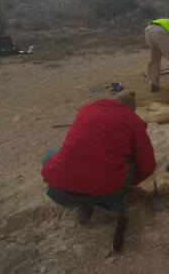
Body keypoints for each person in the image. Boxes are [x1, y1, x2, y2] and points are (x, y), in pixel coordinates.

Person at [41, 91, 158, 224]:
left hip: (60, 192)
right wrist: (129, 184)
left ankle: (81, 208)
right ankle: (108, 208)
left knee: (54, 153)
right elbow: (148, 166)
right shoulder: (132, 120)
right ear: (131, 110)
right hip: (101, 189)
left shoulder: (86, 110)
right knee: (130, 163)